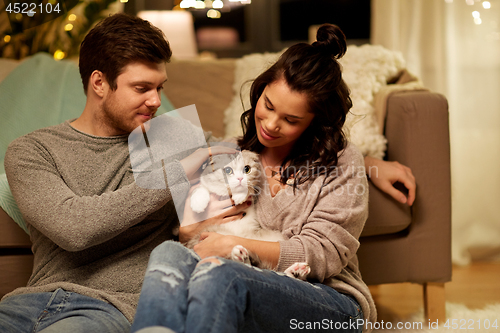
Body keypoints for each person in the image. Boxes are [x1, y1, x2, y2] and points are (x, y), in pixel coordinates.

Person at [130, 23, 413, 333]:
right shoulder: (232, 153)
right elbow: (197, 229)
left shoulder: (341, 162)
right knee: (168, 252)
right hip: (233, 274)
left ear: (315, 124)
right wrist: (190, 232)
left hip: (329, 300)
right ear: (260, 91)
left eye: (291, 120)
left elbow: (322, 255)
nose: (271, 125)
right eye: (267, 105)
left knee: (224, 276)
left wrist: (232, 245)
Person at [0, 13, 247, 333]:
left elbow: (244, 154)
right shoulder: (33, 148)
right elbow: (73, 228)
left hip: (109, 307)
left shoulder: (174, 136)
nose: (156, 101)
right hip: (28, 302)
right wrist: (176, 173)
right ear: (99, 82)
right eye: (142, 88)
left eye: (160, 87)